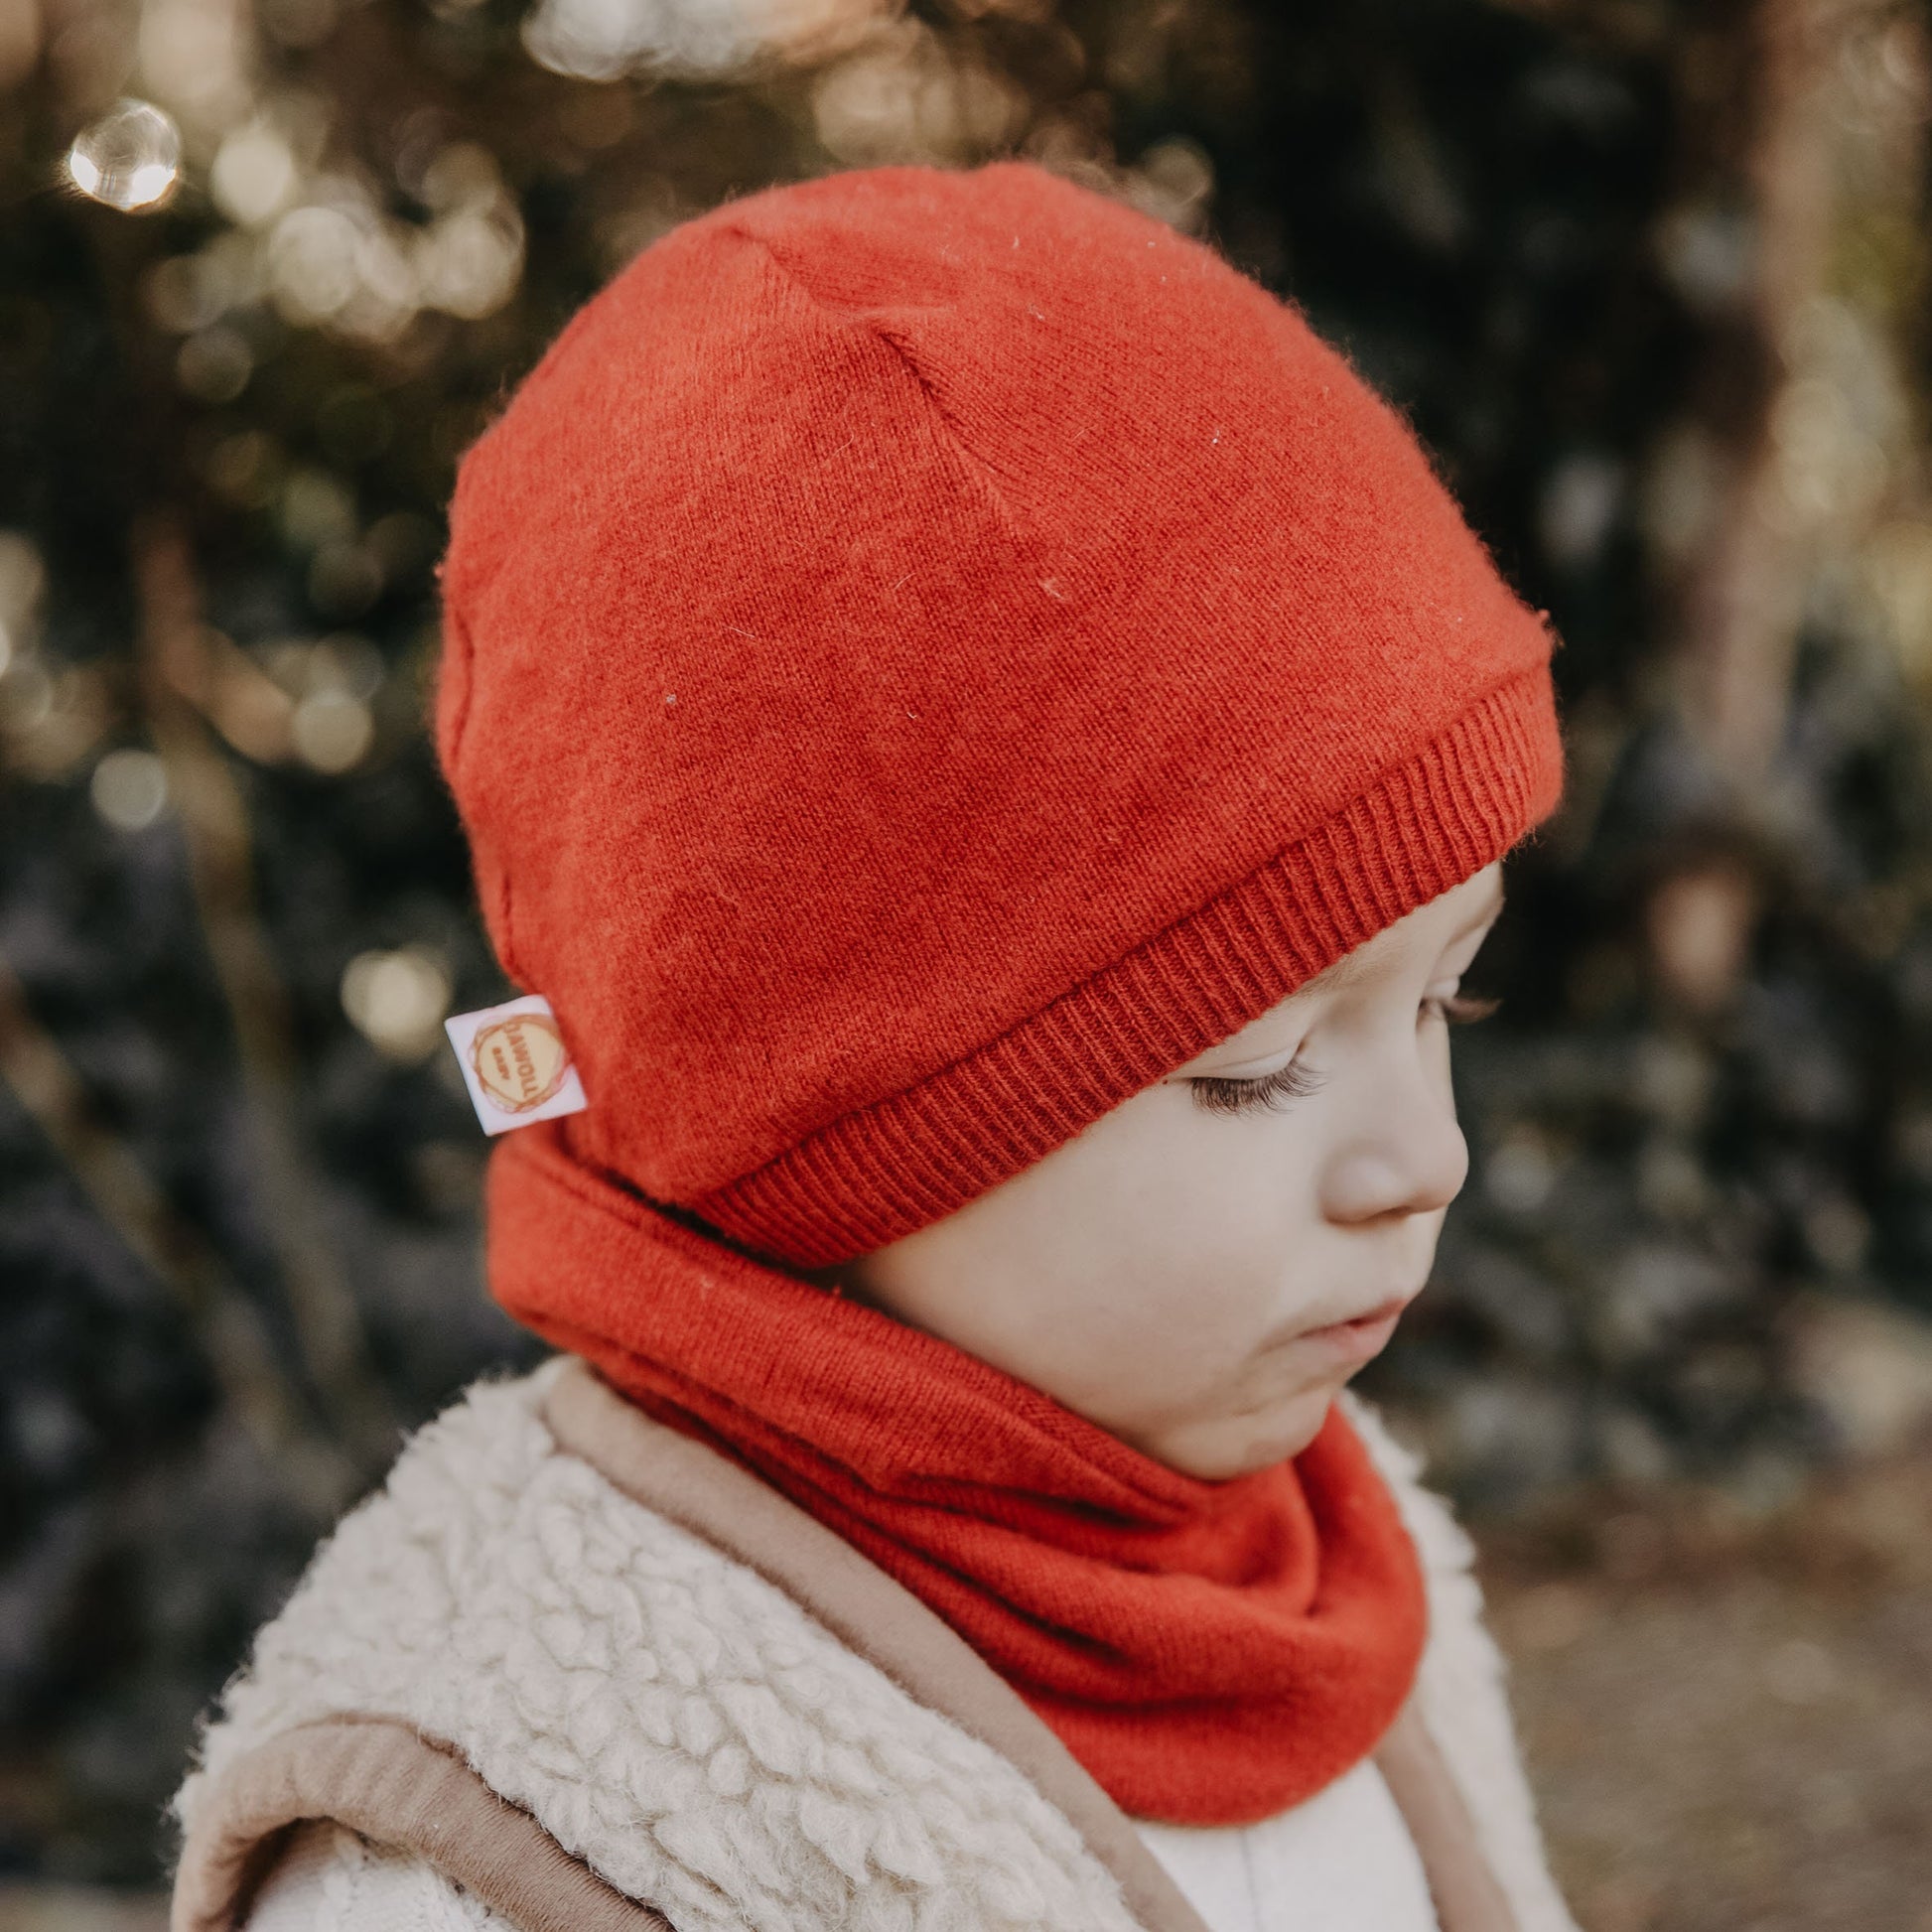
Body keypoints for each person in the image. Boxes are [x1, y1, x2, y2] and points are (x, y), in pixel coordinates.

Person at [168, 160, 1579, 1932]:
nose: (1426, 1157)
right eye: (1251, 1059)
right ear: (817, 1124)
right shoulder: (506, 1840)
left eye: (1451, 992)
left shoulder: (1343, 1569)